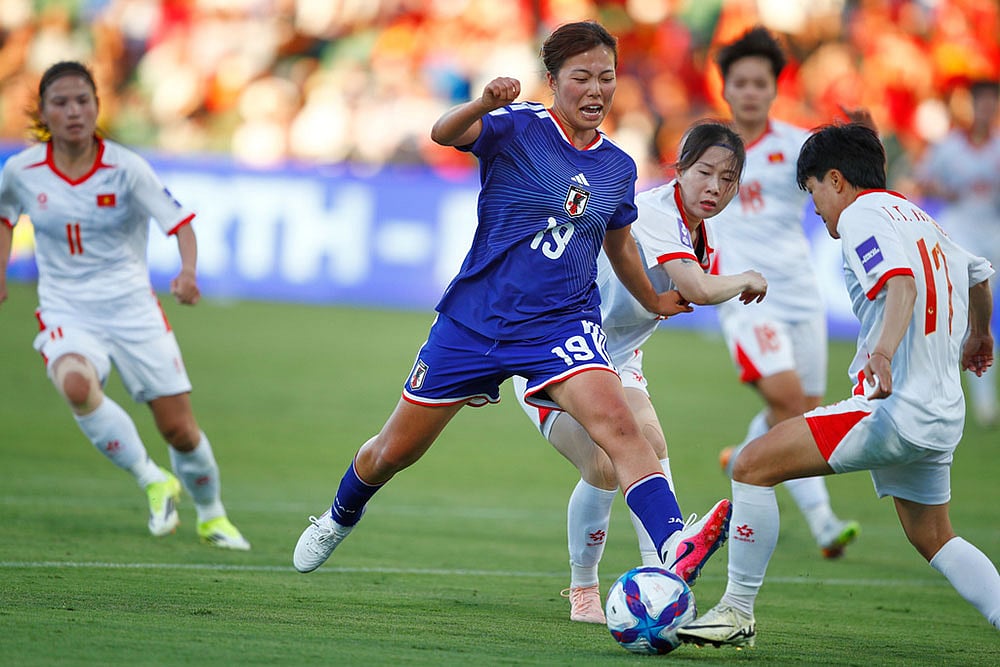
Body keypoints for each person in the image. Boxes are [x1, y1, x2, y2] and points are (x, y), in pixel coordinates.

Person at [292, 21, 733, 587]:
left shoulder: (619, 167)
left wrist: (652, 299)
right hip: (474, 321)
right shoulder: (516, 128)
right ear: (553, 80)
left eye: (607, 77)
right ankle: (338, 515)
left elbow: (619, 243)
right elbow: (443, 133)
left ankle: (674, 546)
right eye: (582, 78)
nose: (597, 90)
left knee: (622, 430)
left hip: (561, 324)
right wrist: (483, 101)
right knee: (392, 452)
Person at [678, 123, 1000, 648]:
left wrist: (881, 352)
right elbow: (979, 274)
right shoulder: (920, 217)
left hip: (894, 407)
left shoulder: (861, 215)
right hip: (943, 415)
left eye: (813, 192)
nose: (816, 208)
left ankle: (735, 611)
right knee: (934, 536)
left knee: (751, 465)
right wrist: (980, 335)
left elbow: (901, 282)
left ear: (836, 180)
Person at [512, 121, 767, 623]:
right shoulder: (651, 211)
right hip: (550, 349)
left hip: (617, 360)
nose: (714, 187)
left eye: (728, 179)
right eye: (704, 172)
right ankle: (583, 587)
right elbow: (696, 288)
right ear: (680, 168)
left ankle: (663, 584)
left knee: (652, 442)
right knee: (605, 466)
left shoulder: (705, 234)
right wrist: (746, 279)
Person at [0, 61, 250, 550]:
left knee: (179, 429)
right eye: (61, 102)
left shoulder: (125, 167)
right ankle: (152, 478)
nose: (73, 111)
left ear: (97, 106)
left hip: (133, 309)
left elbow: (180, 223)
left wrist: (187, 272)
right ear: (43, 112)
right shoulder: (21, 171)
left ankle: (212, 515)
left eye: (83, 101)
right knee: (75, 383)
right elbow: (4, 218)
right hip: (66, 309)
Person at [708, 26, 859, 558]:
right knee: (792, 405)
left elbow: (849, 183)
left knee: (803, 411)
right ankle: (823, 523)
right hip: (744, 298)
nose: (750, 92)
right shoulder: (707, 149)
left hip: (801, 292)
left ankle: (747, 453)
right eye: (741, 82)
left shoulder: (800, 148)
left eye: (761, 83)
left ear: (775, 89)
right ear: (725, 87)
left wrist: (863, 139)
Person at [915, 78, 1000, 427]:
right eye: (981, 102)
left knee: (988, 316)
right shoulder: (950, 146)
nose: (987, 109)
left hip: (993, 231)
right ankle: (980, 400)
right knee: (969, 314)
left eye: (992, 103)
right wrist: (942, 189)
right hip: (960, 232)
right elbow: (922, 178)